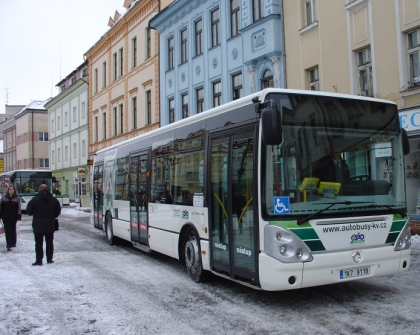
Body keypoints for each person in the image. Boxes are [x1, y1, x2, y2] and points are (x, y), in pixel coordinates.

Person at [26, 184, 61, 266]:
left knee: (38, 243)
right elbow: (58, 211)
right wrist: (52, 216)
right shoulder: (54, 200)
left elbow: (29, 211)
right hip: (50, 224)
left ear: (39, 190)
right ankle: (49, 259)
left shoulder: (35, 200)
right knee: (49, 242)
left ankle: (39, 260)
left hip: (38, 225)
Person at [0, 185, 21, 251]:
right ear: (8, 190)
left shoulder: (17, 198)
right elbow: (1, 208)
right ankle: (8, 244)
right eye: (10, 189)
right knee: (8, 230)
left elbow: (19, 208)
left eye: (12, 189)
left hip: (13, 216)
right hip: (5, 217)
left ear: (14, 190)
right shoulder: (4, 198)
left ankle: (13, 242)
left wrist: (18, 215)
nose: (11, 191)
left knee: (13, 229)